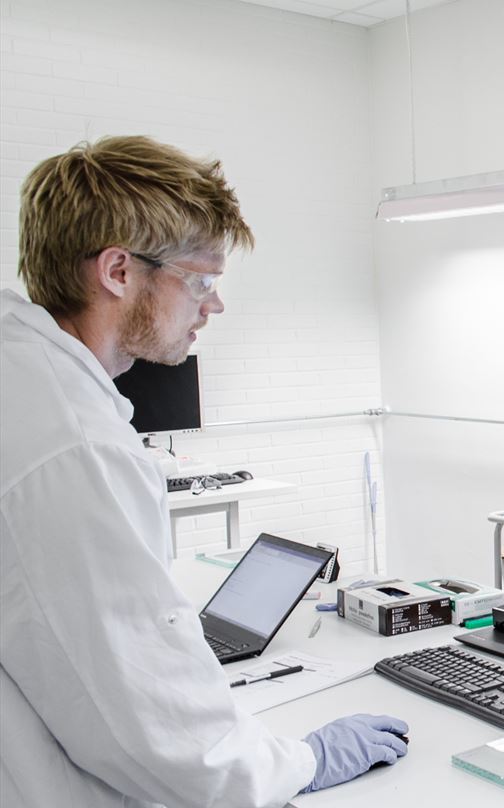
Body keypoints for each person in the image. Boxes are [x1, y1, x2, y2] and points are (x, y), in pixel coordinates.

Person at [0, 136, 407, 806]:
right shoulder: (74, 446)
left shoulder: (32, 382)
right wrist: (303, 761)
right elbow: (157, 733)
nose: (212, 306)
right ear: (118, 273)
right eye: (201, 280)